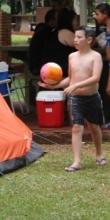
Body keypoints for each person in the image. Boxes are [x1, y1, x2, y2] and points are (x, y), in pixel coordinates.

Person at [40, 26, 105, 172]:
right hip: (76, 99)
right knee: (76, 128)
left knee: (94, 127)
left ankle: (99, 154)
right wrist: (54, 86)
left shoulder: (96, 57)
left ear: (89, 40)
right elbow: (70, 78)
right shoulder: (72, 57)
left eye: (79, 37)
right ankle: (77, 161)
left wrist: (75, 86)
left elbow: (95, 78)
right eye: (75, 37)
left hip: (92, 97)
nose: (75, 40)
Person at [43, 8, 79, 78]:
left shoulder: (57, 31)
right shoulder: (65, 32)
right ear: (70, 21)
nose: (77, 22)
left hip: (53, 67)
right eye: (76, 20)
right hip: (57, 69)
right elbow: (83, 45)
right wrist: (95, 40)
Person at [28, 9, 58, 76]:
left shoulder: (43, 29)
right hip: (38, 68)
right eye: (58, 19)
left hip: (37, 66)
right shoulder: (46, 33)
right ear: (51, 20)